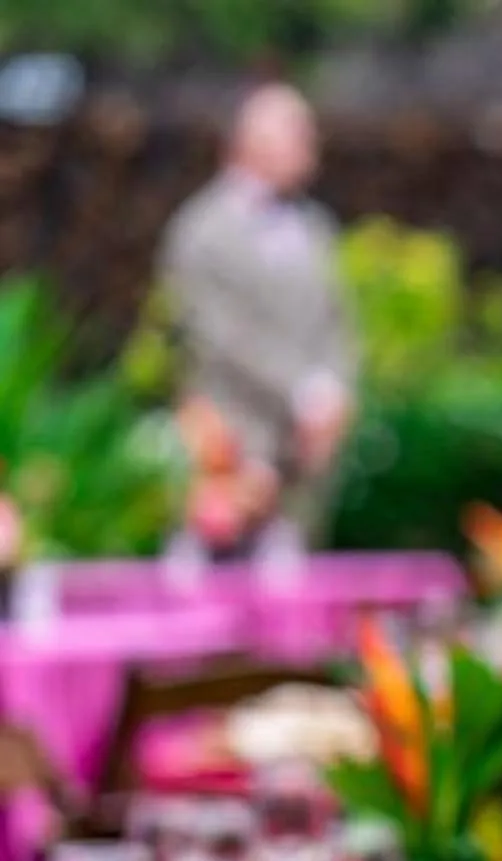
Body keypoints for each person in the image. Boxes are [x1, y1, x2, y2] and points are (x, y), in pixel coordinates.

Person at [157, 83, 356, 546]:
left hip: (305, 455)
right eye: (299, 134)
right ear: (253, 142)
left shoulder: (313, 225)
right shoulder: (202, 231)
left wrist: (334, 392)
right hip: (233, 448)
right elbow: (219, 335)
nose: (313, 146)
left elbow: (337, 320)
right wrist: (302, 391)